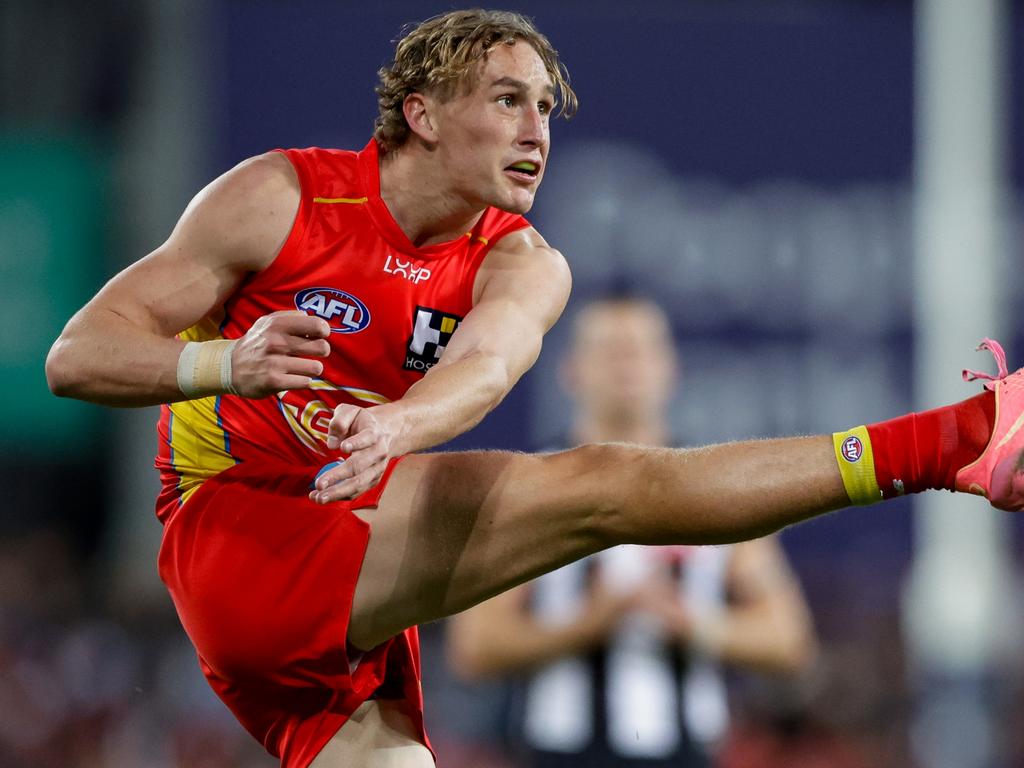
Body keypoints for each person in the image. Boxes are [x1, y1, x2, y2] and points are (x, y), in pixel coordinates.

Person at [44, 8, 1023, 768]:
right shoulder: (281, 198)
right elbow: (76, 355)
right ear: (421, 114)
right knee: (604, 487)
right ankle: (958, 438)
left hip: (349, 554)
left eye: (546, 107)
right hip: (236, 534)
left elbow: (487, 365)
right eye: (507, 99)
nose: (536, 128)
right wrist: (225, 362)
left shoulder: (524, 263)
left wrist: (401, 423)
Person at [448, 297, 818, 767]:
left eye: (641, 350)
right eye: (611, 351)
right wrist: (592, 622)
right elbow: (475, 646)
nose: (628, 365)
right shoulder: (531, 490)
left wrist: (691, 622)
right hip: (560, 756)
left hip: (683, 754)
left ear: (670, 368)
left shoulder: (712, 488)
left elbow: (788, 639)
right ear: (571, 370)